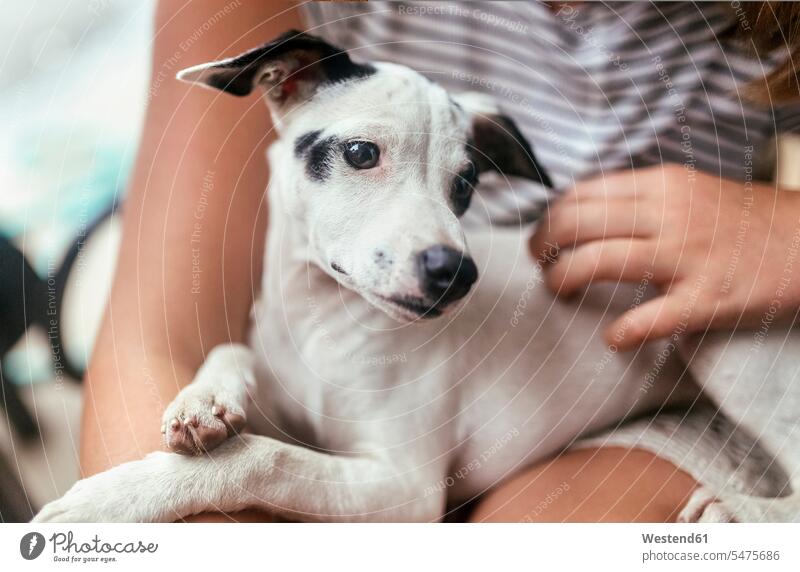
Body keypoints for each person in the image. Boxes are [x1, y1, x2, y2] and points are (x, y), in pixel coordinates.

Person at [80, 1, 800, 522]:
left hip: (708, 369)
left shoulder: (759, 27)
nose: (442, 240)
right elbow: (159, 337)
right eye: (363, 156)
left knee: (532, 537)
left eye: (460, 185)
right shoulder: (299, 311)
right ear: (278, 84)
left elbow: (404, 498)